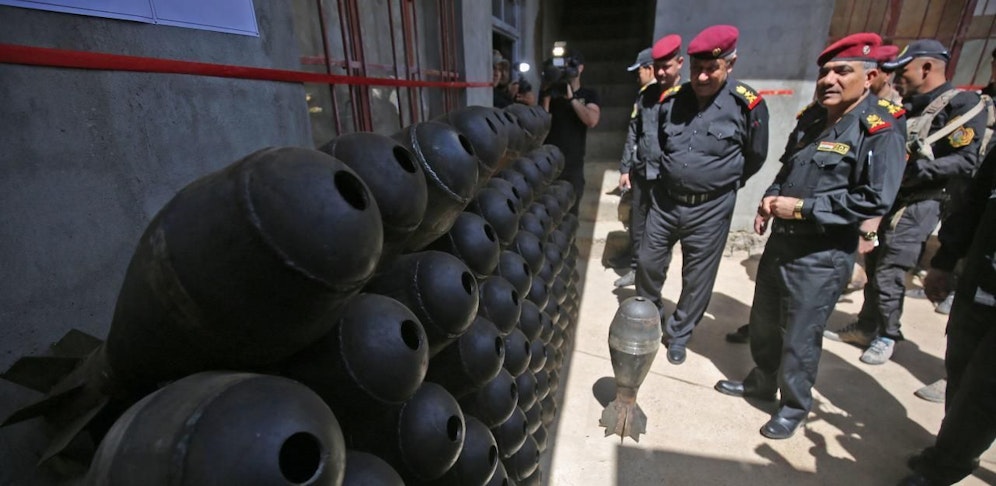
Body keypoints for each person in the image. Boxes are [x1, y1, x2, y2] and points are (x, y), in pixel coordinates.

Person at [714, 33, 906, 439]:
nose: (829, 80)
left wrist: (801, 209)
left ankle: (795, 404)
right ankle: (762, 380)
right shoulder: (811, 118)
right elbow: (787, 170)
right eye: (824, 72)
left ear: (869, 77)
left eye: (842, 71)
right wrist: (770, 199)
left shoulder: (880, 128)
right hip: (782, 244)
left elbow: (876, 197)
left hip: (822, 254)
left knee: (801, 336)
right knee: (764, 322)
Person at [824, 39, 987, 365]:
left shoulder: (961, 105)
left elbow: (966, 161)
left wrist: (915, 167)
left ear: (927, 68)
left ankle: (888, 334)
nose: (897, 77)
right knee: (874, 263)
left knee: (890, 270)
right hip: (891, 197)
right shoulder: (905, 105)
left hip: (921, 201)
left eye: (904, 69)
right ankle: (867, 325)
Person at [635, 25, 768, 365]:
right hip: (665, 201)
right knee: (648, 262)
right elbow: (662, 145)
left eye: (713, 68)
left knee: (696, 278)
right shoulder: (672, 100)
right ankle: (648, 319)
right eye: (698, 69)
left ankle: (679, 333)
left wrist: (718, 184)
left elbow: (755, 156)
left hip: (710, 209)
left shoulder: (748, 105)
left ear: (730, 64)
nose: (704, 76)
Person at [898, 121, 996, 486]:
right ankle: (956, 446)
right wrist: (944, 261)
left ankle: (946, 465)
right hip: (982, 280)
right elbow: (974, 203)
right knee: (962, 368)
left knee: (986, 385)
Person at [614, 35, 683, 288]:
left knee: (661, 233)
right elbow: (633, 132)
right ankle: (636, 270)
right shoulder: (645, 97)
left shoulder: (685, 97)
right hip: (643, 174)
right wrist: (625, 168)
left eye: (639, 71)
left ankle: (654, 278)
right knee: (638, 226)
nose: (638, 76)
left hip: (667, 180)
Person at [541, 49, 601, 215]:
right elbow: (542, 125)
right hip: (549, 162)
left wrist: (572, 99)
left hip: (572, 165)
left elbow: (592, 120)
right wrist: (546, 94)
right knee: (547, 213)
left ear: (580, 68)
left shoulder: (588, 95)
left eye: (571, 65)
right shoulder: (550, 94)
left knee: (571, 215)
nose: (567, 69)